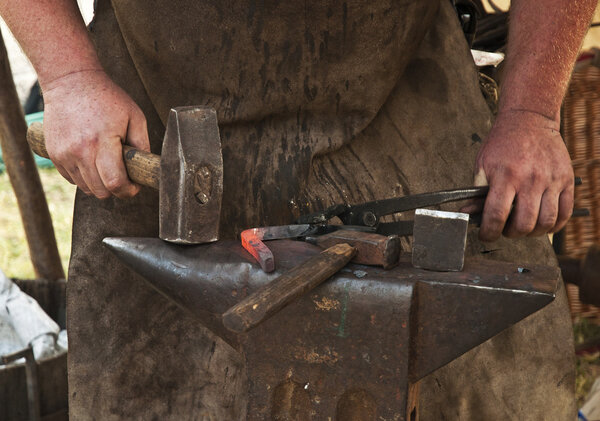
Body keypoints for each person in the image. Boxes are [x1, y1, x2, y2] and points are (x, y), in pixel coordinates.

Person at [0, 0, 595, 419]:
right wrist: (70, 75)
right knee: (158, 390)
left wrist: (531, 112)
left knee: (482, 392)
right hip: (154, 106)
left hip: (408, 94)